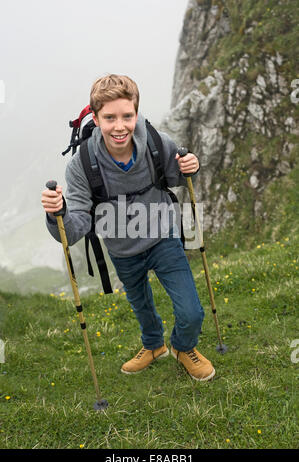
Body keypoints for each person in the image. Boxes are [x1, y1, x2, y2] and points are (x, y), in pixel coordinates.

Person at [41, 74, 215, 382]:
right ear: (95, 118)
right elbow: (75, 228)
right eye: (109, 118)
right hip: (121, 248)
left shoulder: (156, 142)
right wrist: (59, 213)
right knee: (141, 307)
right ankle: (153, 345)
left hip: (164, 237)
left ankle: (182, 346)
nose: (119, 126)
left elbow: (178, 176)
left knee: (192, 312)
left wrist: (191, 167)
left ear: (136, 112)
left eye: (127, 116)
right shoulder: (82, 164)